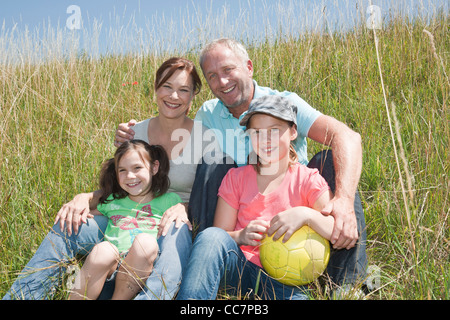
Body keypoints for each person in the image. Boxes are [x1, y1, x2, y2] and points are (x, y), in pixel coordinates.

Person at [117, 38, 367, 290]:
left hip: (296, 201)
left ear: (248, 67)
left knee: (329, 161)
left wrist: (343, 201)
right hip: (238, 213)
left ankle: (345, 282)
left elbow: (347, 137)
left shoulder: (284, 103)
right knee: (214, 165)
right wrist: (137, 137)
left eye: (228, 70)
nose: (222, 82)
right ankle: (205, 260)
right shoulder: (209, 113)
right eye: (212, 76)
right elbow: (182, 157)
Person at [3, 57, 232, 300]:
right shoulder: (135, 132)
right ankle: (22, 296)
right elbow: (122, 182)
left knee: (175, 233)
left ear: (192, 96)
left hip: (173, 220)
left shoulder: (206, 137)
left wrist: (183, 207)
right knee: (68, 224)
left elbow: (210, 193)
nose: (174, 96)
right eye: (167, 86)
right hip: (127, 214)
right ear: (155, 87)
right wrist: (86, 197)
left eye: (183, 90)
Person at [176, 95, 335, 300]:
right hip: (242, 272)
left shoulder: (308, 179)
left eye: (274, 130)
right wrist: (241, 235)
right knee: (209, 236)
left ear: (293, 131)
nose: (265, 140)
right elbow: (219, 235)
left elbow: (335, 228)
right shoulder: (236, 179)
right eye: (257, 132)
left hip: (288, 283)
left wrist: (306, 215)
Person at [65, 140, 181, 300]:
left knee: (145, 243)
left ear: (154, 168)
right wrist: (81, 203)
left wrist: (184, 208)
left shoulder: (168, 200)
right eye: (122, 170)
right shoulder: (113, 201)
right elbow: (89, 214)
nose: (130, 176)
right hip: (109, 271)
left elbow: (186, 215)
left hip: (143, 273)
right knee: (104, 249)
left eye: (137, 168)